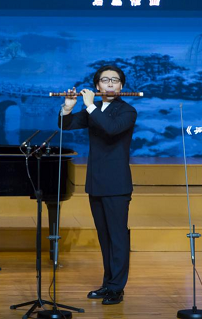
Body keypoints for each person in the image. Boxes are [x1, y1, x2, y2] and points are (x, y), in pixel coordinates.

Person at [58, 65, 137, 305]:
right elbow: (65, 125)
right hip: (96, 182)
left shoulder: (127, 111)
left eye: (115, 80)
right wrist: (67, 107)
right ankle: (108, 283)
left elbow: (111, 129)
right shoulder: (94, 110)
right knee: (104, 238)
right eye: (105, 80)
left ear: (121, 86)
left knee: (118, 238)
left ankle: (117, 288)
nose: (110, 84)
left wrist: (90, 105)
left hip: (117, 184)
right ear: (97, 86)